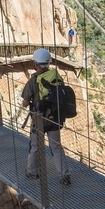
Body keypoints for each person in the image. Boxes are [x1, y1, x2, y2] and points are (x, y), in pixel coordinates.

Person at [21, 48, 70, 185]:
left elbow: (25, 103)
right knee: (56, 147)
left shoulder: (33, 81)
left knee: (35, 146)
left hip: (39, 119)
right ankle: (64, 175)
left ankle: (32, 171)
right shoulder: (56, 77)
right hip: (54, 118)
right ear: (49, 63)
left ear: (35, 64)